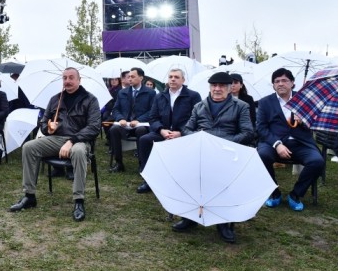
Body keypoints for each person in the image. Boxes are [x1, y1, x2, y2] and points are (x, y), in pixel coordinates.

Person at [8, 67, 101, 222]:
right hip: (56, 139)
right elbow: (43, 122)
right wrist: (49, 128)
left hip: (80, 140)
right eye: (65, 78)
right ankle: (29, 196)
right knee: (29, 147)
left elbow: (94, 127)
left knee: (78, 152)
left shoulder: (90, 99)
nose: (68, 81)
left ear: (79, 80)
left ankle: (79, 201)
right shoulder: (55, 99)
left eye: (71, 78)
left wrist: (72, 141)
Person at [174, 72, 254, 243]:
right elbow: (186, 128)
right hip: (201, 151)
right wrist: (199, 137)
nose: (217, 89)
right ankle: (190, 217)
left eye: (221, 86)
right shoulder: (199, 106)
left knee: (223, 183)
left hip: (227, 152)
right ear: (210, 87)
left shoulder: (240, 106)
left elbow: (248, 132)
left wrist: (223, 143)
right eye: (214, 86)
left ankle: (223, 223)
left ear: (229, 88)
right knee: (190, 178)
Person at [256, 68, 325, 212]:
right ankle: (274, 193)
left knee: (317, 162)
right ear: (273, 85)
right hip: (273, 143)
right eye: (277, 81)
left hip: (300, 143)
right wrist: (277, 144)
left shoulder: (304, 100)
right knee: (262, 155)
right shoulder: (265, 102)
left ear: (292, 83)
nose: (280, 84)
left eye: (284, 80)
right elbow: (261, 128)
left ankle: (295, 195)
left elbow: (316, 122)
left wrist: (305, 120)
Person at [136, 68, 201, 193]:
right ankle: (148, 179)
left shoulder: (193, 96)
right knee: (144, 140)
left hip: (184, 134)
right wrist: (161, 130)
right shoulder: (160, 96)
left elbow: (197, 118)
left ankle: (183, 181)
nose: (173, 79)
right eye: (170, 76)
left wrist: (181, 132)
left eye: (176, 77)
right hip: (163, 132)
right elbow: (152, 117)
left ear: (183, 80)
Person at [108, 67, 156, 172]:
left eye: (132, 76)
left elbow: (152, 111)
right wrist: (120, 118)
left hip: (142, 125)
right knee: (113, 129)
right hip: (125, 124)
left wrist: (139, 120)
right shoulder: (122, 92)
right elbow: (116, 109)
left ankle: (142, 163)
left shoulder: (150, 93)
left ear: (141, 78)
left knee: (141, 130)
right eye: (128, 76)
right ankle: (119, 163)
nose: (129, 79)